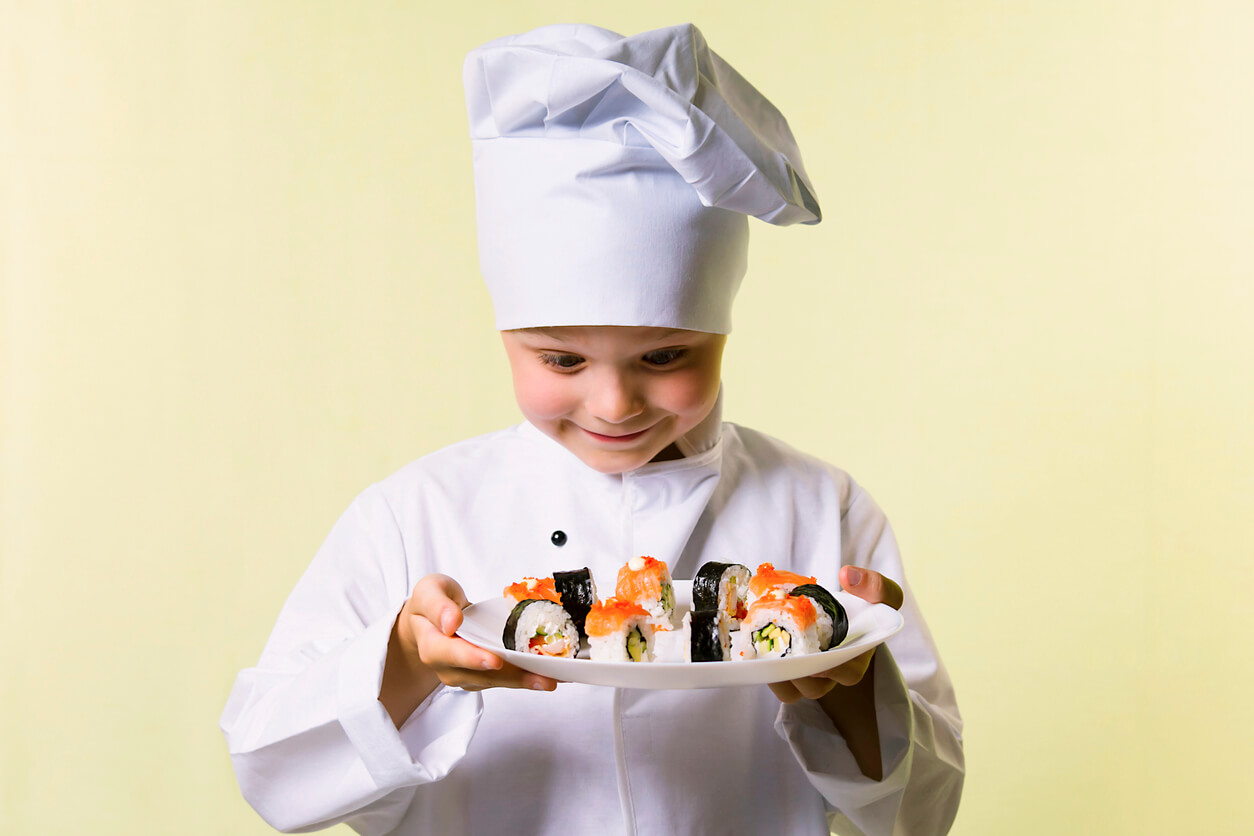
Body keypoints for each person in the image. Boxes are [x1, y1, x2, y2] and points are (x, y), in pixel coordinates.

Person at [221, 23, 964, 836]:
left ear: (722, 335)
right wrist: (405, 663)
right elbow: (269, 771)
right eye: (563, 362)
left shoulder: (823, 508)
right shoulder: (413, 516)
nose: (615, 404)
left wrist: (852, 679)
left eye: (665, 354)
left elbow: (922, 812)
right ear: (507, 340)